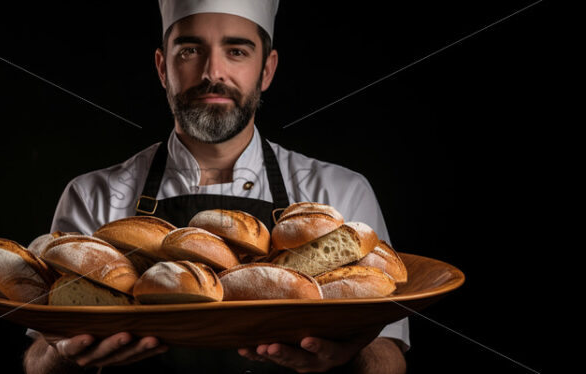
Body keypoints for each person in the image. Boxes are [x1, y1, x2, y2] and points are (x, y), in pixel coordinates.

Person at [23, 1, 409, 373]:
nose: (213, 72)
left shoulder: (339, 195)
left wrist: (349, 359)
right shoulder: (93, 196)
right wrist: (65, 359)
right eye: (190, 49)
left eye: (237, 51)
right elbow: (40, 355)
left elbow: (388, 357)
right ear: (162, 67)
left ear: (267, 70)